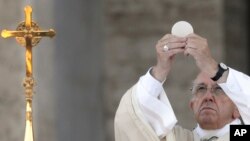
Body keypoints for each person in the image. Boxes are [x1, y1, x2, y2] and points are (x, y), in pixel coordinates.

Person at [114, 33, 250, 141]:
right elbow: (132, 119)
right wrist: (160, 70)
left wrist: (214, 69)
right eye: (201, 89)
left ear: (237, 109)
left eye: (219, 90)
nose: (208, 97)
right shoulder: (177, 138)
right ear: (192, 105)